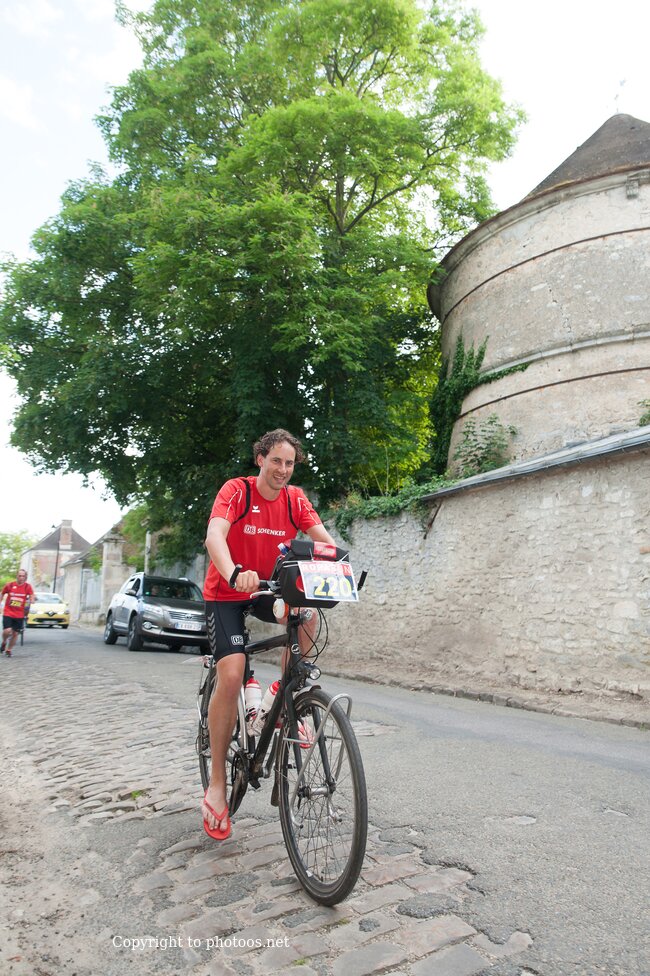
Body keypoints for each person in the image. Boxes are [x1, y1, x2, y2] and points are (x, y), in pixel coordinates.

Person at [201, 428, 338, 840]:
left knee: (307, 615)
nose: (283, 469)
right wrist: (233, 573)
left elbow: (325, 544)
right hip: (228, 590)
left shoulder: (295, 499)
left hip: (268, 589)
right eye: (276, 460)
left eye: (289, 463)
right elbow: (214, 535)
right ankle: (217, 784)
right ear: (260, 459)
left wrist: (339, 568)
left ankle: (285, 693)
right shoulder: (237, 491)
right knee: (231, 675)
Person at [1, 568, 35, 657]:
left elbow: (31, 594)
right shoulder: (10, 585)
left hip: (19, 614)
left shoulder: (27, 587)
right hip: (8, 612)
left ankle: (9, 650)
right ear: (17, 576)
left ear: (25, 577)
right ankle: (4, 642)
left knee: (15, 633)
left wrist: (32, 599)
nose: (21, 578)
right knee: (7, 630)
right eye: (20, 576)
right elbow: (2, 593)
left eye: (23, 576)